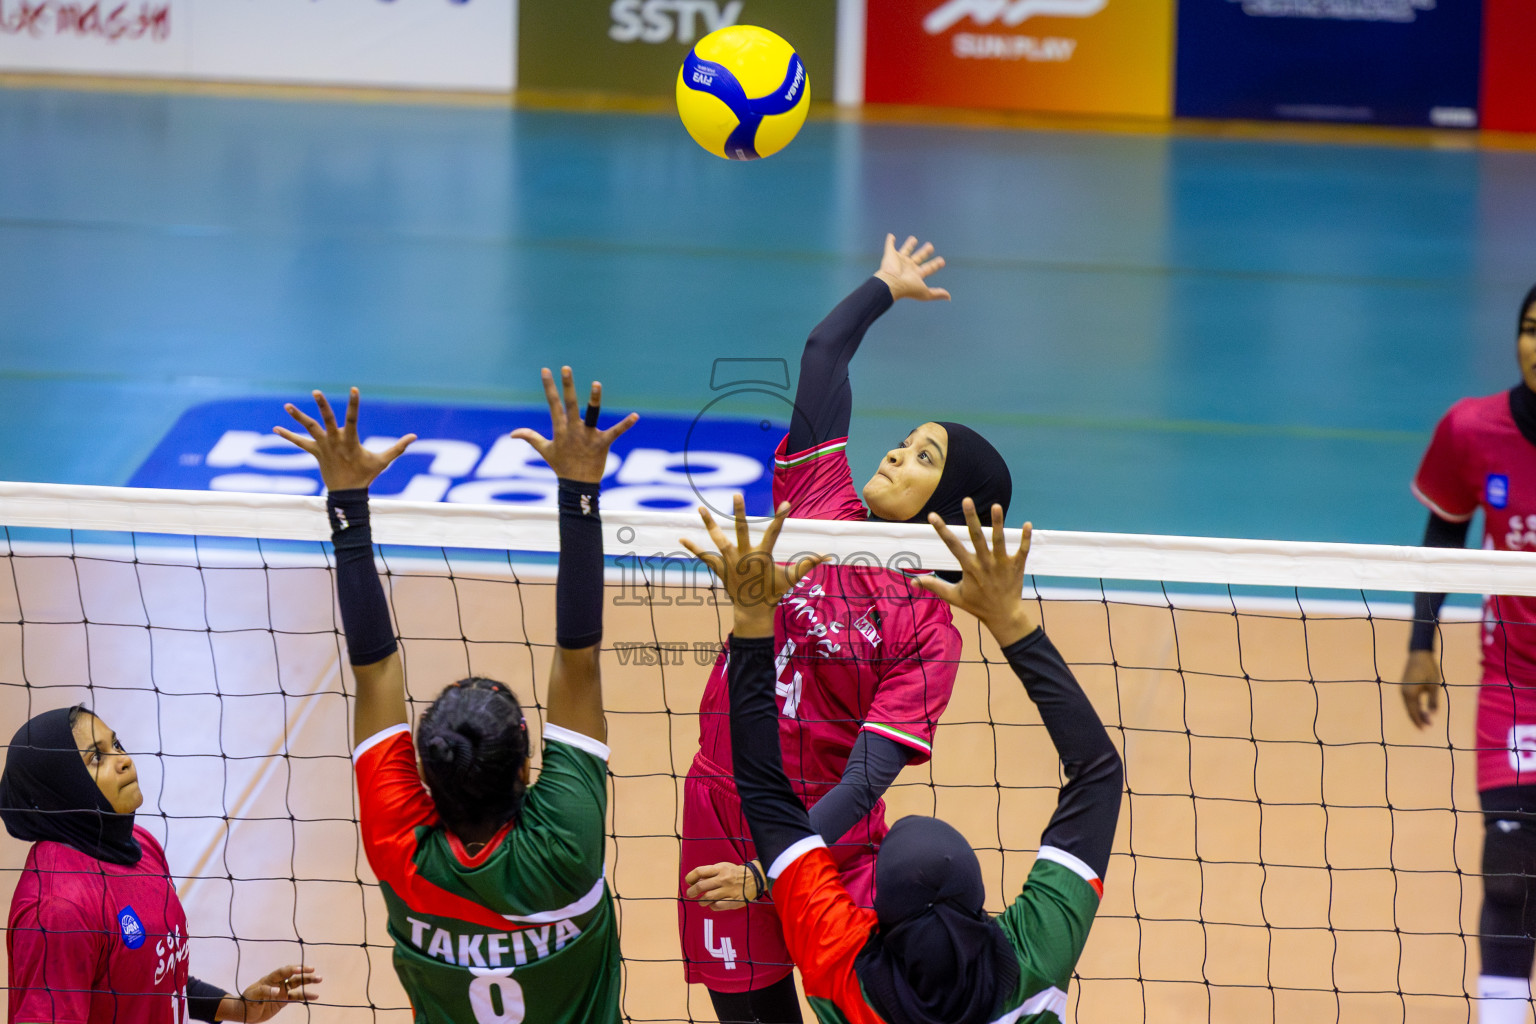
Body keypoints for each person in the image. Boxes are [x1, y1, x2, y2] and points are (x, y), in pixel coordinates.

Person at [680, 235, 1013, 1023]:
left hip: (832, 845)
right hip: (723, 807)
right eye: (904, 442)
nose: (896, 455)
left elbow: (865, 780)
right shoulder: (821, 502)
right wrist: (884, 286)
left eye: (924, 457)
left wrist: (775, 871)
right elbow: (823, 353)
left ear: (954, 503)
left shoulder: (931, 628)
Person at [274, 372, 637, 1023]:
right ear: (525, 770)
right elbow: (578, 661)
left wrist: (346, 502)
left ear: (426, 773)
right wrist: (580, 489)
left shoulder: (402, 847)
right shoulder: (563, 846)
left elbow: (374, 673)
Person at [681, 495, 1121, 1024]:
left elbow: (759, 786)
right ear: (980, 912)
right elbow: (1099, 772)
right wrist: (1011, 621)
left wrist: (752, 618)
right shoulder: (1033, 961)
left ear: (878, 925)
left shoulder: (848, 975)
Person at [3, 705, 320, 1024]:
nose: (124, 760)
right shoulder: (59, 911)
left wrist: (239, 1008)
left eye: (116, 744)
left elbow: (150, 979)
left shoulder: (140, 845)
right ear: (61, 786)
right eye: (96, 757)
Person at [1401, 284, 1536, 1024]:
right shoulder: (1472, 429)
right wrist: (1421, 643)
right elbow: (1445, 530)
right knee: (1510, 871)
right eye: (1530, 329)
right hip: (1515, 683)